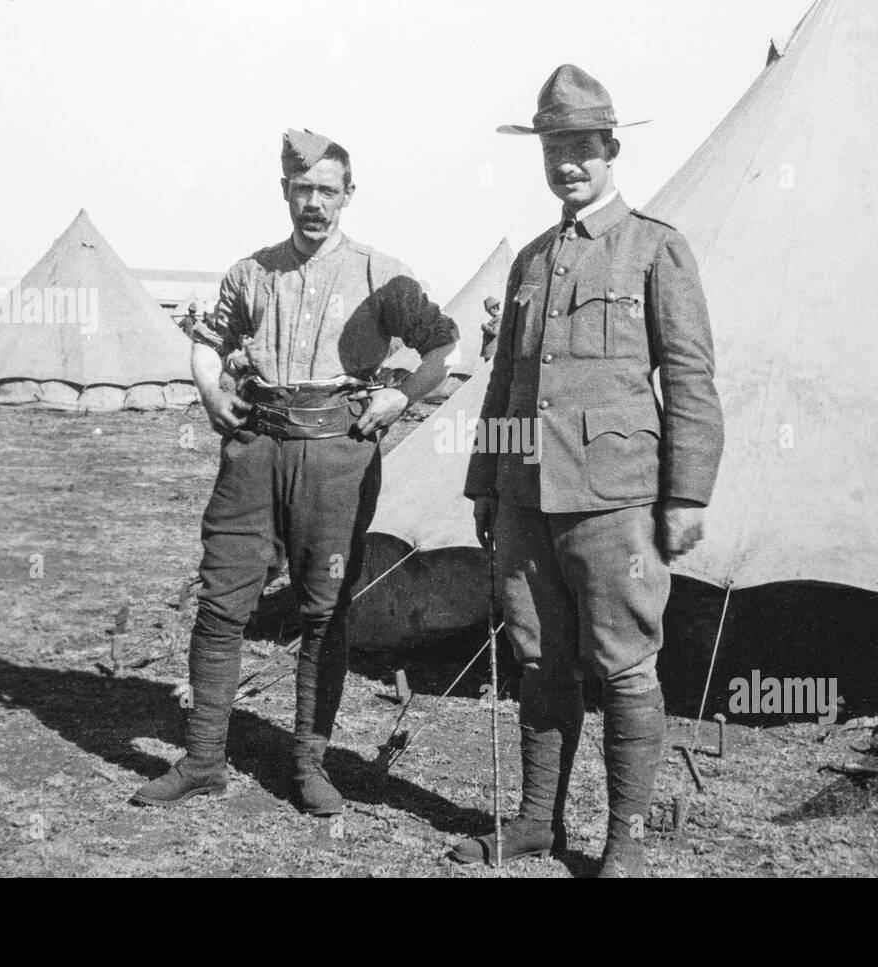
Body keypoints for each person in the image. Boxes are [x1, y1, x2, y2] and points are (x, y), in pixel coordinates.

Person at [131, 129, 460, 816]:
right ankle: (201, 759)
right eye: (302, 189)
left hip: (337, 454)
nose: (314, 203)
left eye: (327, 191)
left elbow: (442, 343)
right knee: (222, 600)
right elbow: (207, 343)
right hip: (255, 450)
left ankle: (310, 765)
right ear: (285, 190)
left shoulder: (382, 273)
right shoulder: (252, 271)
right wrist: (212, 393)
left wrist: (402, 395)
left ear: (348, 195)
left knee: (323, 609)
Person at [451, 65, 724, 876]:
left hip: (616, 504)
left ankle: (625, 841)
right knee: (540, 658)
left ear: (610, 147)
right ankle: (539, 821)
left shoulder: (656, 248)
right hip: (528, 497)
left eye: (581, 146)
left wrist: (686, 492)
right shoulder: (531, 261)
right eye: (552, 147)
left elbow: (691, 379)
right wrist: (484, 483)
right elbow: (505, 382)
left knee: (626, 664)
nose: (567, 162)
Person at [479, 296, 502, 361]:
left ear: (494, 308)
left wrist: (484, 327)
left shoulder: (499, 318)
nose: (489, 313)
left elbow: (495, 332)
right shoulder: (497, 318)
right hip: (492, 350)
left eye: (489, 311)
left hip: (492, 350)